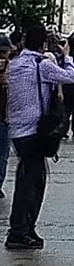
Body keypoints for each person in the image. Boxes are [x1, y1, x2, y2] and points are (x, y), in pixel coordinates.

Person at [5, 25, 74, 250]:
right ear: (43, 43)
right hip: (35, 130)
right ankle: (19, 231)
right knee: (32, 184)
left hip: (17, 130)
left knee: (27, 179)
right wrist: (66, 56)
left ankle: (24, 228)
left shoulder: (15, 63)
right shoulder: (42, 65)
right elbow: (70, 77)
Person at [0, 35, 12, 200]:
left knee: (2, 154)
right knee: (2, 154)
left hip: (4, 117)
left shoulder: (12, 68)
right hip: (3, 117)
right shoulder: (12, 67)